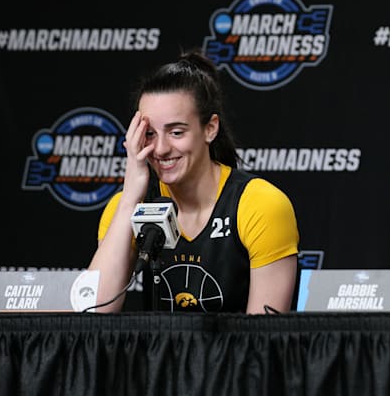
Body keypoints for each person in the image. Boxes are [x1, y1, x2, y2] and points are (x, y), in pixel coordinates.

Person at [88, 50, 299, 313]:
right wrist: (130, 198)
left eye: (176, 132)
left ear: (210, 128)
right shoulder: (127, 207)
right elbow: (94, 312)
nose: (161, 149)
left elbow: (263, 335)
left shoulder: (260, 204)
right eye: (149, 134)